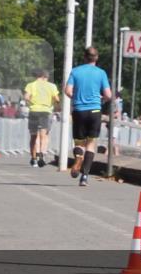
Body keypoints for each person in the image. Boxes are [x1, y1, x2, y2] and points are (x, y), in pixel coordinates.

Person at [65, 47, 112, 187]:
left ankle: (78, 157)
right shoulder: (101, 73)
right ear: (96, 58)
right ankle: (84, 176)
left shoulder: (75, 71)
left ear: (84, 57)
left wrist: (78, 98)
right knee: (91, 144)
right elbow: (109, 95)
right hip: (95, 111)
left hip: (79, 110)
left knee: (79, 143)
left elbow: (67, 91)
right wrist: (101, 99)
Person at [24, 69, 60, 168]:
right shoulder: (52, 86)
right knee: (44, 135)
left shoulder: (31, 85)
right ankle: (42, 155)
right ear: (45, 77)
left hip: (34, 111)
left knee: (34, 136)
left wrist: (31, 103)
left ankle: (34, 158)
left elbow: (26, 97)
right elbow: (57, 99)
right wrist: (53, 104)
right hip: (45, 112)